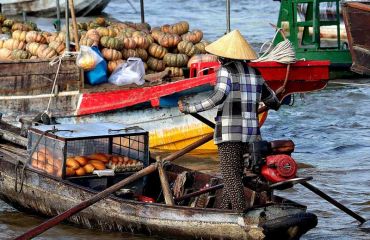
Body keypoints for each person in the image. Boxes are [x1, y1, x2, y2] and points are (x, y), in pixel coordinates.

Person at [178, 30, 280, 212]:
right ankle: (225, 211)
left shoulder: (226, 71)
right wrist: (273, 102)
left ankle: (240, 215)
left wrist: (189, 108)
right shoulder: (255, 73)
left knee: (231, 176)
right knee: (237, 176)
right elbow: (272, 100)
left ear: (224, 57)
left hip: (229, 133)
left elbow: (217, 97)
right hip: (251, 135)